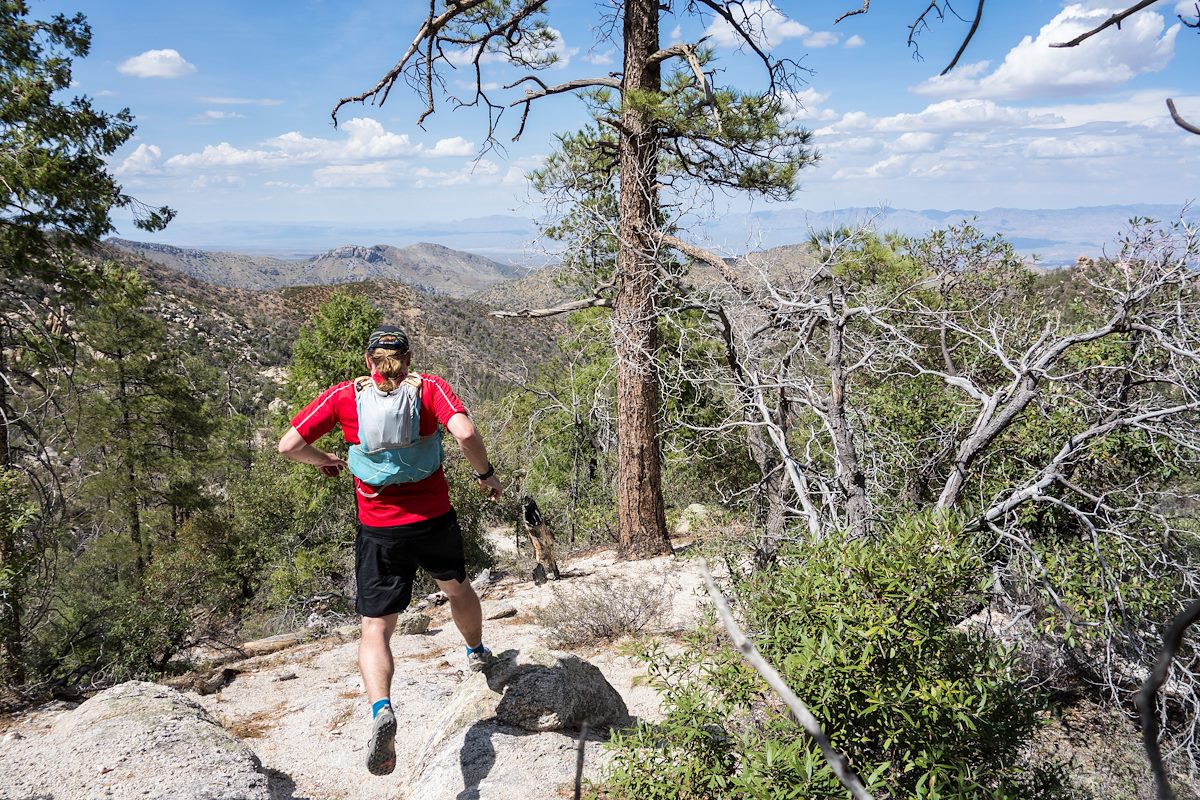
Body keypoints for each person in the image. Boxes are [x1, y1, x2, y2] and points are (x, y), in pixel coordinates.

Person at [277, 323, 504, 777]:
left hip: (379, 530)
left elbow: (289, 446)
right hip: (433, 520)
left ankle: (381, 707)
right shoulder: (429, 388)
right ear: (408, 359)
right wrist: (485, 474)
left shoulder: (344, 396)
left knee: (375, 628)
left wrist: (326, 461)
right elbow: (464, 433)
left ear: (368, 362)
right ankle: (476, 651)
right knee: (457, 589)